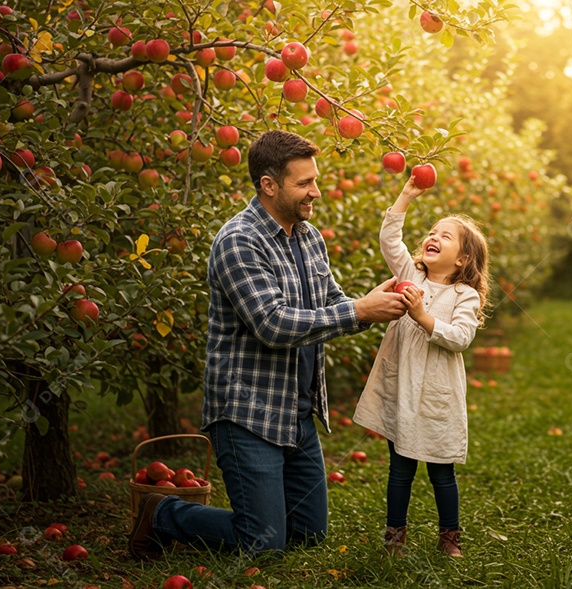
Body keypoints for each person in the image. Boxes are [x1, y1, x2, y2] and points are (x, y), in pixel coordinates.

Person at [128, 130, 407, 559]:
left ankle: (237, 518)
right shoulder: (238, 241)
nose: (315, 191)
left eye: (315, 179)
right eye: (304, 183)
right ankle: (162, 511)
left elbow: (330, 303)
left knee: (309, 536)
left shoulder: (309, 236)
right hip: (247, 411)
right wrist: (360, 311)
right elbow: (272, 324)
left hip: (295, 412)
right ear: (268, 185)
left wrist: (371, 302)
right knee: (263, 544)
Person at [353, 177, 491, 558]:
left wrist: (421, 315)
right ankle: (395, 538)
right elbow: (389, 240)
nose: (434, 237)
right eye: (433, 232)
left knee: (441, 471)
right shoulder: (411, 276)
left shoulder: (463, 295)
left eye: (446, 237)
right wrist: (406, 196)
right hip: (403, 390)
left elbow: (461, 337)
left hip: (436, 396)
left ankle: (450, 538)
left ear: (463, 259)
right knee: (400, 468)